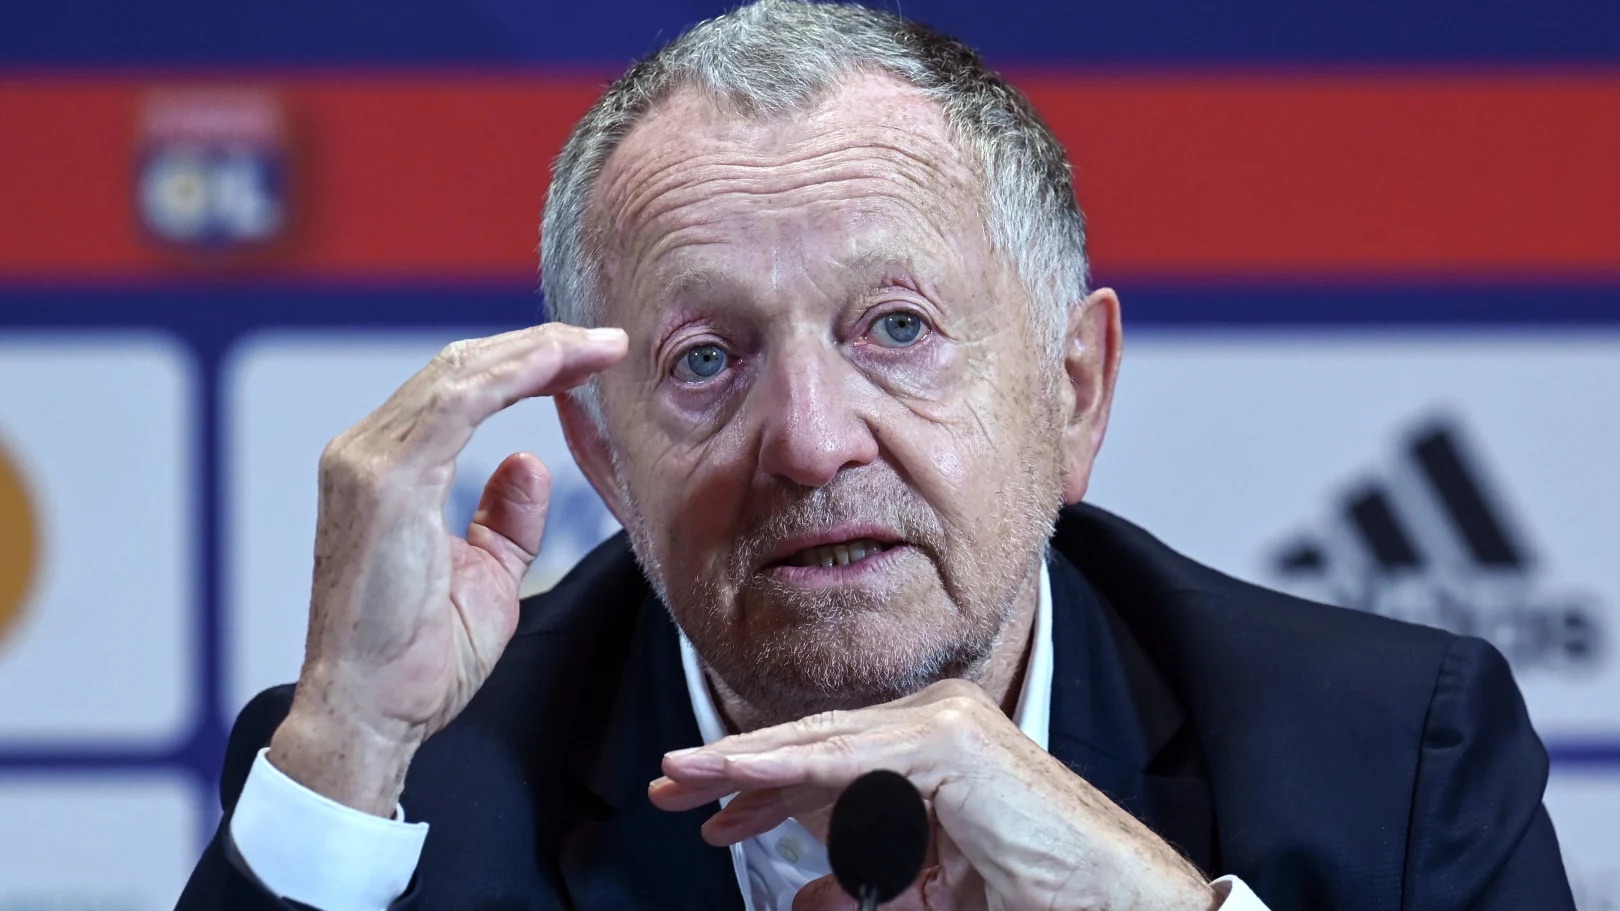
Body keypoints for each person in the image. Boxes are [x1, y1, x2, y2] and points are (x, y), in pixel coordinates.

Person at [175, 2, 1576, 909]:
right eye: (706, 358)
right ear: (602, 454)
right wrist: (350, 743)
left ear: (1073, 391)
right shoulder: (412, 784)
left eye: (896, 329)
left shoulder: (1387, 760)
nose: (810, 439)